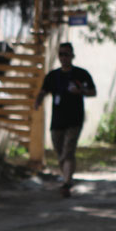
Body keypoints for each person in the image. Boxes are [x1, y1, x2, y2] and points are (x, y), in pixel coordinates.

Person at [34, 41, 96, 196]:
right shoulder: (53, 76)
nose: (63, 57)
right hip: (57, 121)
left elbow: (93, 92)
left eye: (66, 54)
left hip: (74, 120)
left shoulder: (81, 74)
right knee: (60, 152)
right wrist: (37, 101)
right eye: (61, 54)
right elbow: (43, 91)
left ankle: (67, 183)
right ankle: (68, 177)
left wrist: (81, 91)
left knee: (68, 151)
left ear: (72, 56)